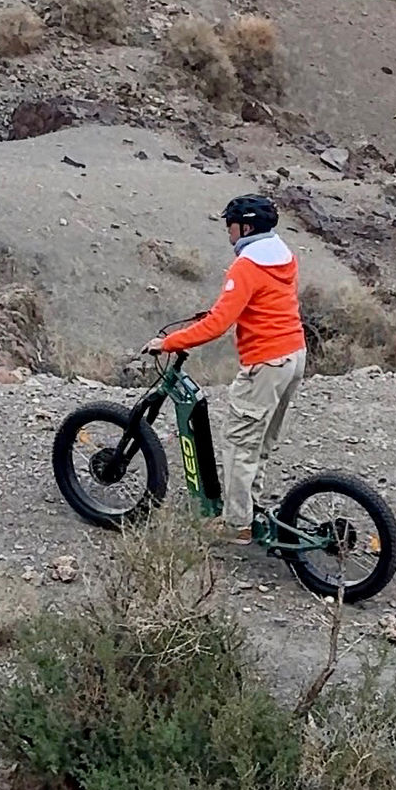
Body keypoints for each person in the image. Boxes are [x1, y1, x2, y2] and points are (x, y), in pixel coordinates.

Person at [145, 193, 307, 543]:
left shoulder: (246, 266)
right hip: (294, 355)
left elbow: (218, 325)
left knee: (238, 443)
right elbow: (259, 304)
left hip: (266, 363)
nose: (228, 233)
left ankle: (236, 525)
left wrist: (170, 342)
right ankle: (249, 505)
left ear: (246, 226)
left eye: (230, 226)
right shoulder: (284, 255)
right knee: (260, 440)